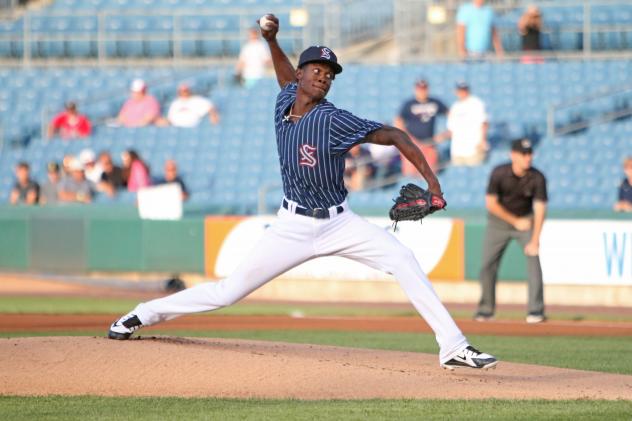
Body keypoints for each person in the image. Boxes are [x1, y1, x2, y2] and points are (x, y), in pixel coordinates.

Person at [108, 14, 498, 371]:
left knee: (403, 259)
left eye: (329, 74)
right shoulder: (283, 101)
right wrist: (271, 40)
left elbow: (394, 135)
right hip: (291, 226)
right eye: (316, 69)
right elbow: (282, 76)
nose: (324, 77)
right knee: (227, 292)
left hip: (339, 222)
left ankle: (453, 346)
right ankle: (142, 314)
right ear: (301, 74)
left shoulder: (333, 120)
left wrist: (433, 183)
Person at [475, 138, 547, 324]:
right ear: (513, 155)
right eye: (524, 154)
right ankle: (485, 310)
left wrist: (535, 239)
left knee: (534, 260)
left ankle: (535, 311)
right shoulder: (499, 173)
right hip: (500, 223)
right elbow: (491, 204)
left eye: (530, 153)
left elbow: (540, 209)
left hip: (526, 222)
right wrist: (515, 221)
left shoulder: (537, 177)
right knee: (487, 265)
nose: (528, 157)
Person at [394, 79, 448, 174]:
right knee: (411, 173)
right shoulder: (409, 104)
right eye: (420, 89)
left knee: (430, 174)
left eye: (424, 88)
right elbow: (398, 122)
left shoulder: (434, 102)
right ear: (415, 89)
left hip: (429, 144)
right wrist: (408, 139)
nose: (422, 91)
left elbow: (452, 116)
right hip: (412, 145)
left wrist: (445, 134)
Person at [445, 81, 488, 166]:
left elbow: (484, 123)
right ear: (456, 92)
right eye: (460, 90)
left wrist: (482, 140)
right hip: (457, 150)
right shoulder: (455, 106)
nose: (462, 92)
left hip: (473, 149)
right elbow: (451, 129)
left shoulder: (476, 103)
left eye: (464, 90)